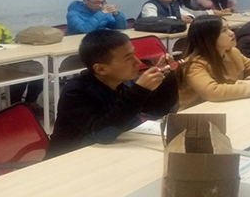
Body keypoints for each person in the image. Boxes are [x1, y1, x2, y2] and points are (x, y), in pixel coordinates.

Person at [46, 29, 179, 158]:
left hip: (112, 151)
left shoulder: (123, 83)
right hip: (70, 158)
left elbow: (159, 110)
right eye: (128, 58)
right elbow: (103, 134)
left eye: (134, 54)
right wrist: (139, 91)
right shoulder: (75, 92)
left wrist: (167, 76)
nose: (138, 62)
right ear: (101, 69)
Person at [177, 16, 250, 110]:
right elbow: (212, 92)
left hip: (227, 105)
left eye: (229, 28)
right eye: (224, 30)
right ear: (209, 37)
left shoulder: (232, 52)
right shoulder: (193, 64)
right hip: (197, 113)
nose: (232, 33)